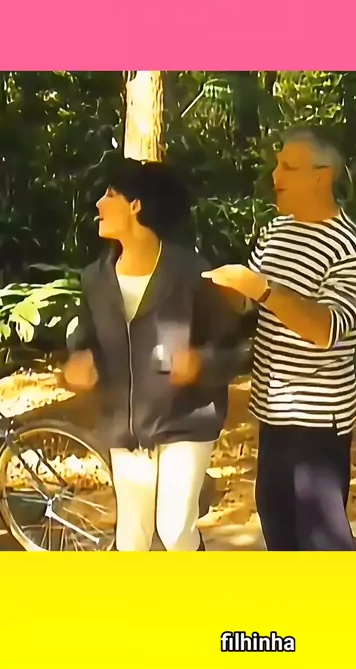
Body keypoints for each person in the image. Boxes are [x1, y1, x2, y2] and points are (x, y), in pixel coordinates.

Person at [202, 126, 356, 551]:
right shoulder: (276, 232)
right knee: (278, 525)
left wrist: (261, 289)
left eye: (289, 167)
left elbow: (326, 330)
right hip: (273, 412)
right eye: (278, 165)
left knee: (323, 542)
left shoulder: (350, 248)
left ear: (322, 176)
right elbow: (249, 303)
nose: (275, 175)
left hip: (317, 423)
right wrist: (223, 289)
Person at [62, 154, 244, 552]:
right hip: (127, 427)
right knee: (132, 539)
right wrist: (77, 364)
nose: (99, 204)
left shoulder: (191, 274)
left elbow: (235, 348)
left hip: (186, 421)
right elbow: (85, 340)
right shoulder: (95, 279)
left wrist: (200, 363)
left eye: (110, 194)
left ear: (136, 205)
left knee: (175, 530)